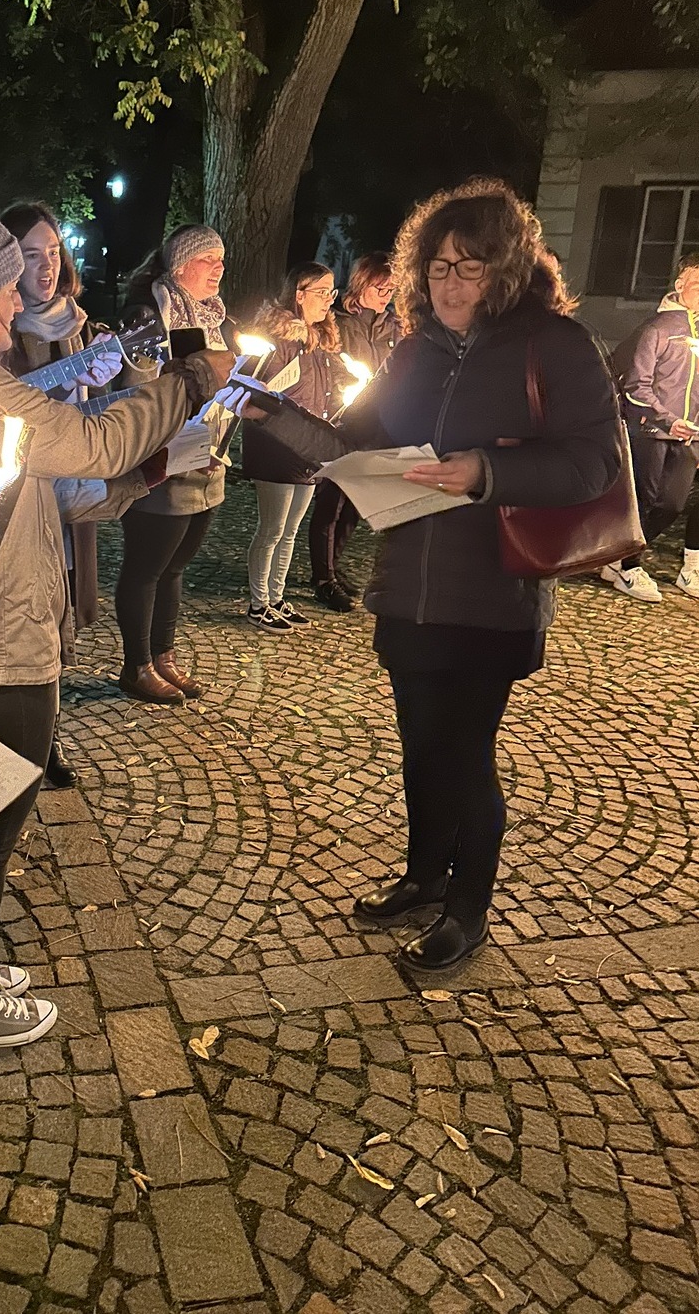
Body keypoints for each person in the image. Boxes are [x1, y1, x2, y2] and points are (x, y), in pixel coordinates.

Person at [0, 199, 230, 1050]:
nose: (17, 295)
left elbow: (42, 491)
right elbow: (91, 443)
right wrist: (190, 383)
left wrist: (146, 475)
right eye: (4, 282)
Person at [238, 180, 621, 974]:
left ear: (506, 267)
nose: (450, 283)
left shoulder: (554, 345)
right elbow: (349, 445)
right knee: (420, 746)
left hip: (494, 590)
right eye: (438, 266)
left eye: (469, 267)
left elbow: (591, 463)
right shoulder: (414, 352)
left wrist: (484, 472)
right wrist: (267, 413)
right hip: (407, 585)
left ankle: (465, 910)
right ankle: (422, 877)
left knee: (464, 755)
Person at [0, 201, 120, 789]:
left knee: (59, 607)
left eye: (53, 251)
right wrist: (61, 388)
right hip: (17, 493)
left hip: (68, 492)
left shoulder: (79, 325)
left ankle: (47, 732)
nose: (46, 265)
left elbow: (91, 414)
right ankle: (18, 737)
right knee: (20, 614)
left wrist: (125, 377)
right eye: (30, 254)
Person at [113, 225, 229, 702]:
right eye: (208, 259)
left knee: (175, 567)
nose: (219, 268)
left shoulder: (216, 317)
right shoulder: (147, 316)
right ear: (180, 265)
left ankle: (165, 657)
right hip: (162, 462)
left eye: (222, 259)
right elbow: (136, 390)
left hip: (206, 460)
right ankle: (136, 665)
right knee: (147, 567)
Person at [241, 263, 347, 631]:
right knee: (272, 529)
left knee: (290, 531)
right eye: (321, 292)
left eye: (332, 292)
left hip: (307, 445)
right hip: (276, 444)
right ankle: (258, 604)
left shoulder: (321, 341)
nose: (328, 300)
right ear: (299, 295)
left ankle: (277, 598)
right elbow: (261, 390)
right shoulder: (279, 339)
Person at [601, 250, 699, 602]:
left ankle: (616, 557)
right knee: (644, 500)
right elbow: (636, 385)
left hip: (689, 436)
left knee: (672, 505)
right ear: (681, 285)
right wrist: (667, 419)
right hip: (651, 431)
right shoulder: (657, 328)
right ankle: (627, 566)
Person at [308, 251, 402, 611]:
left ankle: (333, 565)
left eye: (391, 289)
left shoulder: (394, 326)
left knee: (357, 502)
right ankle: (323, 578)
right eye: (380, 287)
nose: (386, 295)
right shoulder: (341, 324)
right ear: (361, 284)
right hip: (346, 422)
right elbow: (330, 365)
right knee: (331, 501)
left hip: (380, 423)